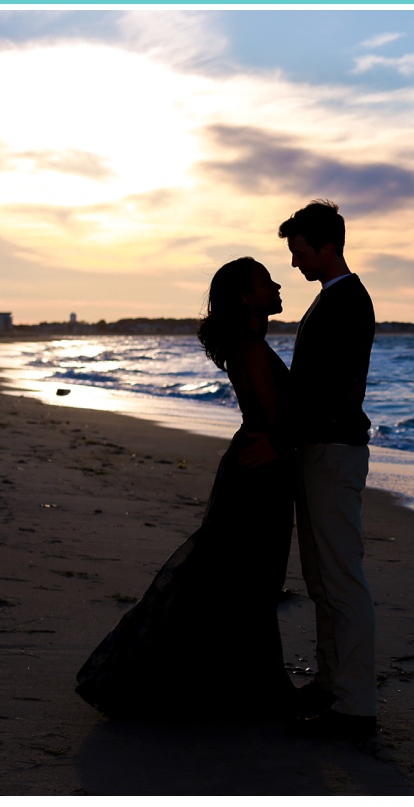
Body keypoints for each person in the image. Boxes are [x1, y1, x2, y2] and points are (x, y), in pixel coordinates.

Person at [75, 257, 297, 720]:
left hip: (256, 468)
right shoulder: (251, 349)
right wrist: (282, 441)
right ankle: (240, 690)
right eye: (266, 281)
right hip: (258, 473)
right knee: (245, 579)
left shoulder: (247, 344)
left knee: (233, 578)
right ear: (244, 297)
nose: (277, 285)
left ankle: (236, 686)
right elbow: (278, 422)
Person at [279, 200, 377, 740]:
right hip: (321, 448)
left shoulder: (348, 302)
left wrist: (286, 432)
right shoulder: (332, 300)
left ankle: (356, 706)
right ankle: (331, 684)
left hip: (334, 451)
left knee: (341, 579)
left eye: (298, 251)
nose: (295, 263)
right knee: (322, 578)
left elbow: (338, 390)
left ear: (325, 245)